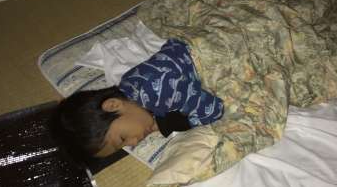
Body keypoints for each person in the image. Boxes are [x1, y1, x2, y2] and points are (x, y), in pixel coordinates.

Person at [53, 38, 223, 161]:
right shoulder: (128, 83)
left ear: (113, 105)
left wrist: (166, 124)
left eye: (122, 139)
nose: (133, 142)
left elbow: (213, 109)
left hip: (210, 50)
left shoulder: (157, 91)